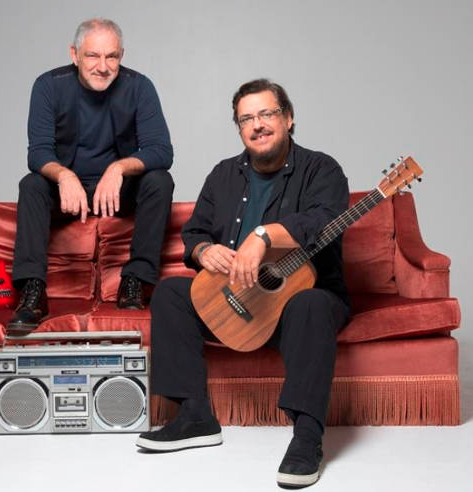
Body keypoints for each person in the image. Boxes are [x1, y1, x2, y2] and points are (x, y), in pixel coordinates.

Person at [137, 79, 350, 490]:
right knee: (170, 293)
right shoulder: (223, 174)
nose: (258, 125)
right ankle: (194, 417)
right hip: (237, 299)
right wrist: (203, 252)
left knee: (310, 303)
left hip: (301, 305)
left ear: (288, 118)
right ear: (239, 128)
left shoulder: (322, 169)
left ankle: (307, 437)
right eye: (246, 118)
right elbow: (195, 232)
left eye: (267, 114)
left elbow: (323, 219)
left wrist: (265, 235)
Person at [7, 18, 174, 334]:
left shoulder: (140, 87)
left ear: (121, 56)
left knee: (159, 180)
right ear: (74, 54)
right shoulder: (48, 86)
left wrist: (118, 168)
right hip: (67, 192)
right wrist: (63, 175)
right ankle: (32, 291)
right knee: (32, 184)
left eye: (111, 57)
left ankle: (134, 281)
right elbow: (38, 153)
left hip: (117, 192)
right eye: (93, 56)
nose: (103, 66)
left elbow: (161, 150)